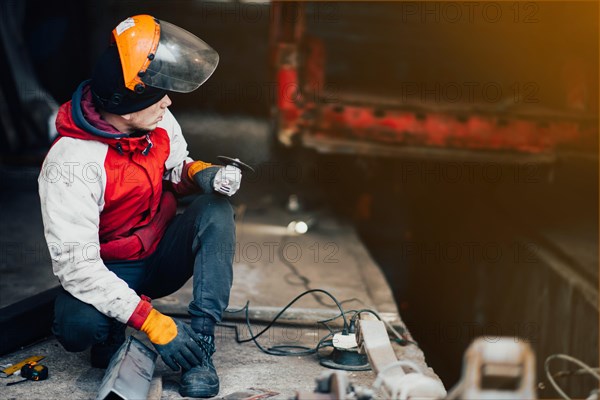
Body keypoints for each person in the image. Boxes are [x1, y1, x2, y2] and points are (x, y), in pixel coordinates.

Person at [38, 14, 241, 398]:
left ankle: (201, 343)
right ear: (128, 110)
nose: (168, 101)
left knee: (215, 210)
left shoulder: (159, 122)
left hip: (160, 255)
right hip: (109, 269)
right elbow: (76, 266)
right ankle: (114, 325)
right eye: (158, 96)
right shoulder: (72, 163)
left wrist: (201, 173)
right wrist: (154, 323)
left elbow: (174, 167)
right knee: (77, 327)